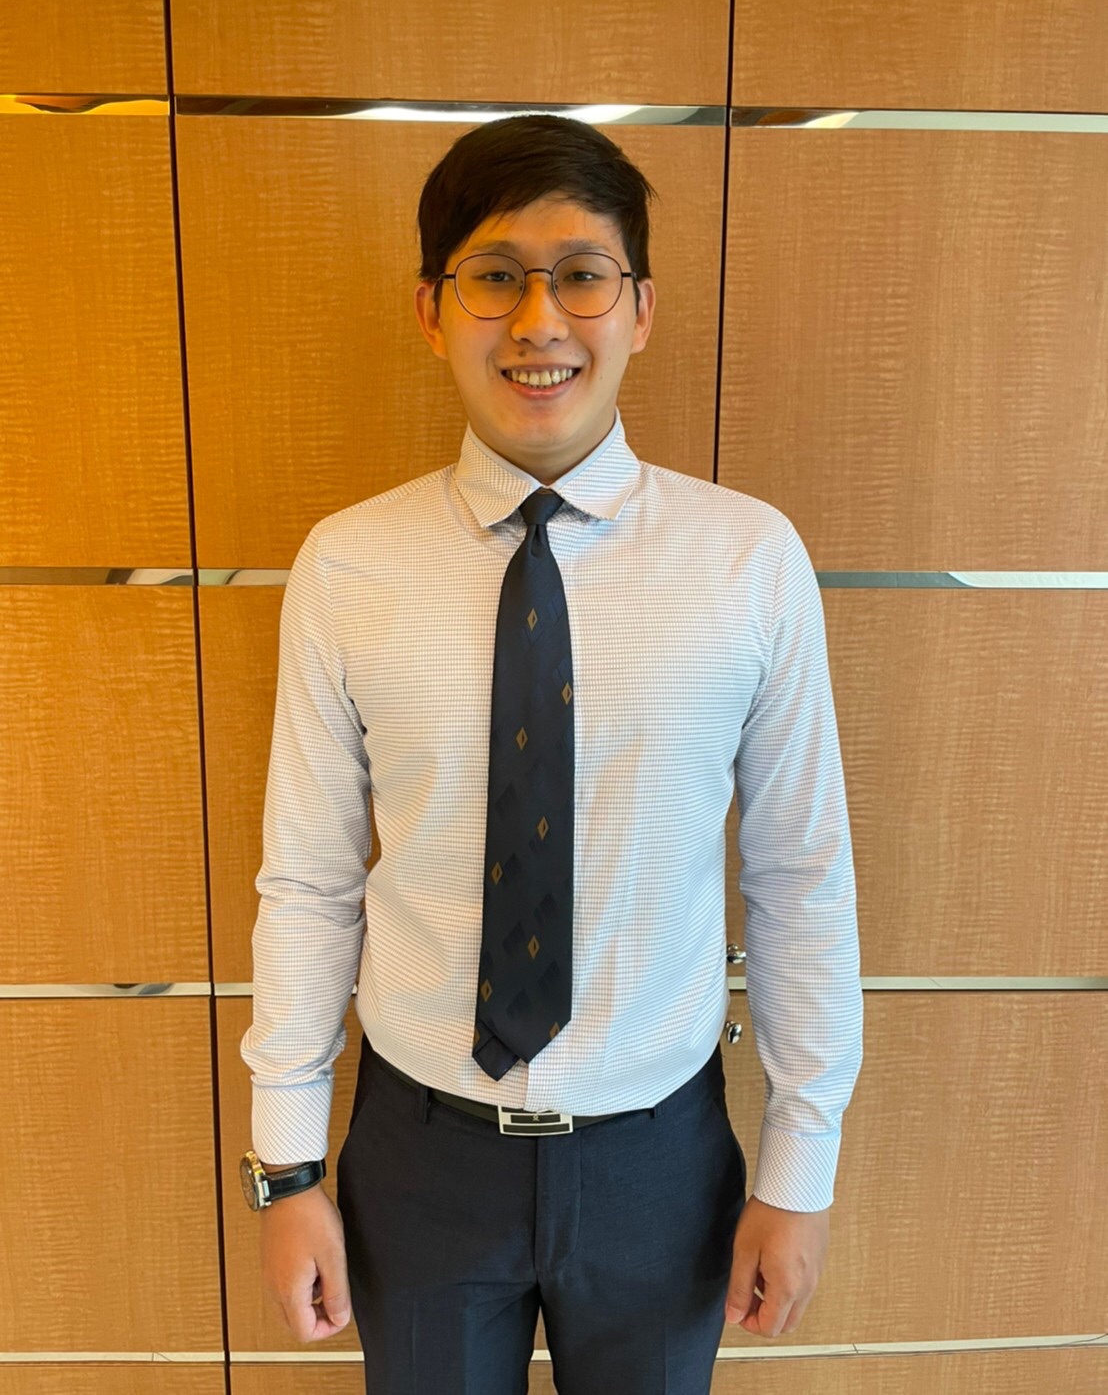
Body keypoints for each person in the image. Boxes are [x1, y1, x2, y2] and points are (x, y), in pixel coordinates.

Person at [239, 112, 864, 1395]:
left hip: (659, 1160)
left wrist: (800, 1167)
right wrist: (286, 1165)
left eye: (581, 274)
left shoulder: (748, 560)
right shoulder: (347, 566)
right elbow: (308, 880)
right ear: (432, 309)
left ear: (639, 308)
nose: (538, 320)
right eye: (494, 275)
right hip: (419, 1156)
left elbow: (799, 877)